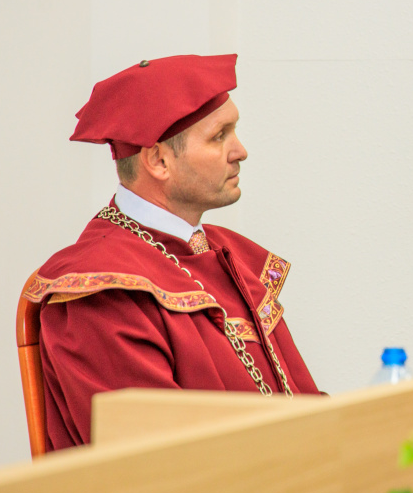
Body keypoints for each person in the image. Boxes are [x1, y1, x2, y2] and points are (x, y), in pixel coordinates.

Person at [23, 54, 320, 451]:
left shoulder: (228, 254)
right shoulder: (101, 290)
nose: (240, 151)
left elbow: (306, 405)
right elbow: (154, 463)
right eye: (219, 136)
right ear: (159, 160)